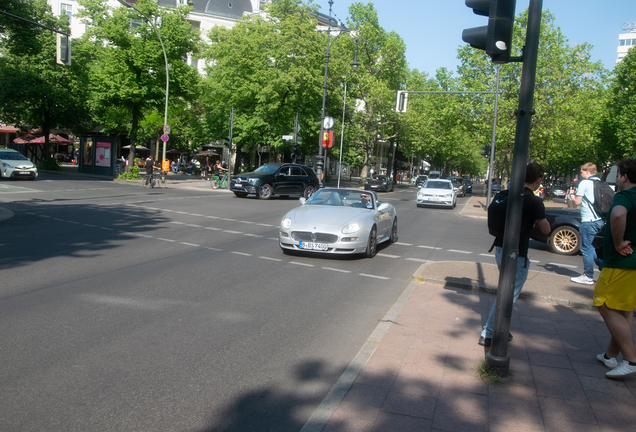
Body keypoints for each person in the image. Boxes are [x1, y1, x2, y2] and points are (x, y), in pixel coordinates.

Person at [479, 163, 551, 346]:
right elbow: (546, 229)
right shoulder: (533, 200)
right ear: (538, 179)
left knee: (506, 290)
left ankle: (499, 328)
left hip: (500, 248)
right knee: (508, 294)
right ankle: (489, 332)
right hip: (517, 253)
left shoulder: (508, 194)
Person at [593, 158, 636, 379]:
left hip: (619, 263)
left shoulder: (625, 196)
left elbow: (618, 214)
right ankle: (610, 355)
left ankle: (631, 359)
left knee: (606, 305)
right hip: (633, 264)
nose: (616, 178)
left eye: (617, 174)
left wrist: (618, 243)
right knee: (625, 309)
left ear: (624, 176)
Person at [569, 163, 605, 285]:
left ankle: (588, 276)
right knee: (590, 246)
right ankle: (601, 265)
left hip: (588, 220)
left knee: (586, 248)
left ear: (588, 171)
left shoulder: (584, 183)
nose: (581, 174)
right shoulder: (600, 182)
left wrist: (572, 195)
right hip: (599, 219)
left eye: (582, 171)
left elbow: (577, 202)